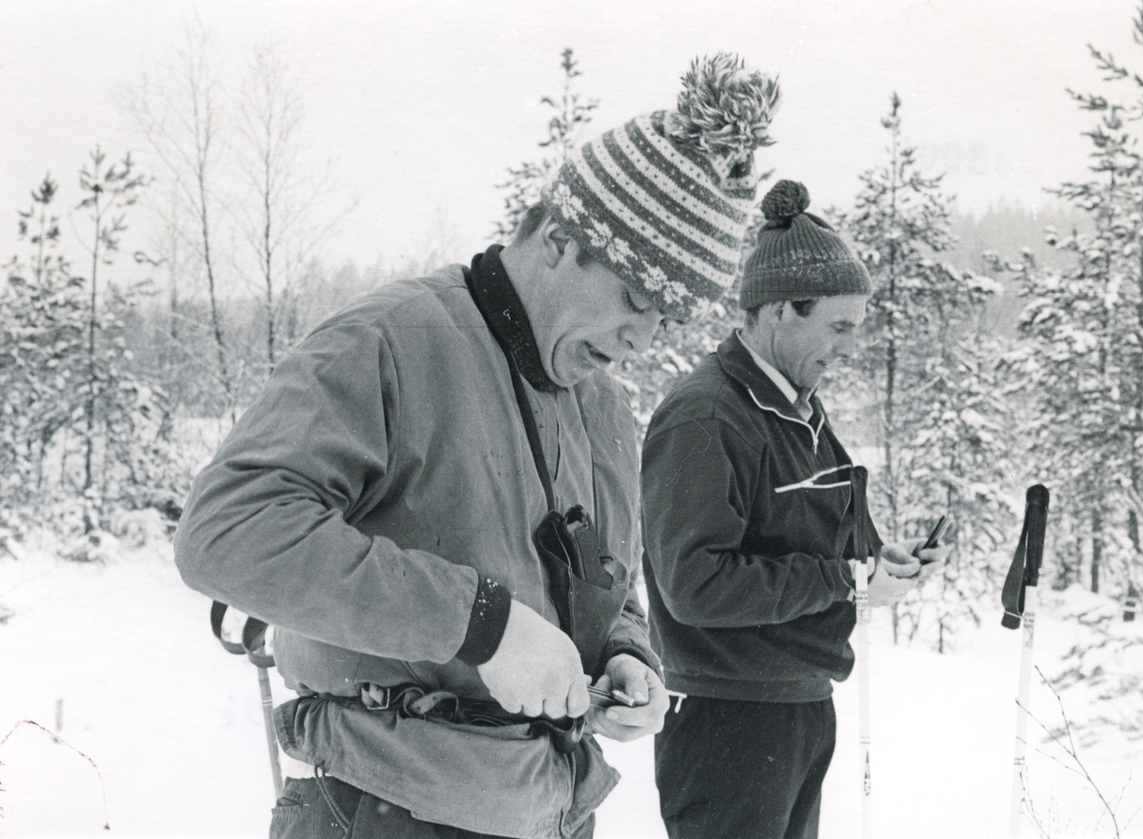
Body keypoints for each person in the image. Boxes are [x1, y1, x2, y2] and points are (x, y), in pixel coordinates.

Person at [174, 54, 779, 839]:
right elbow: (225, 533)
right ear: (561, 239)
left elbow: (597, 579)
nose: (642, 337)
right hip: (387, 810)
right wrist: (480, 624)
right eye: (637, 298)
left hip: (547, 810)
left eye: (668, 318)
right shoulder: (392, 341)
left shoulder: (602, 403)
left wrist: (627, 657)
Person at [640, 178, 949, 839]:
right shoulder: (706, 416)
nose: (846, 347)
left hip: (799, 709)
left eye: (855, 329)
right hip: (730, 722)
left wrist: (880, 561)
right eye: (837, 326)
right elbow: (695, 584)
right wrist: (844, 578)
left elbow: (832, 549)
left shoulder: (803, 415)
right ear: (780, 310)